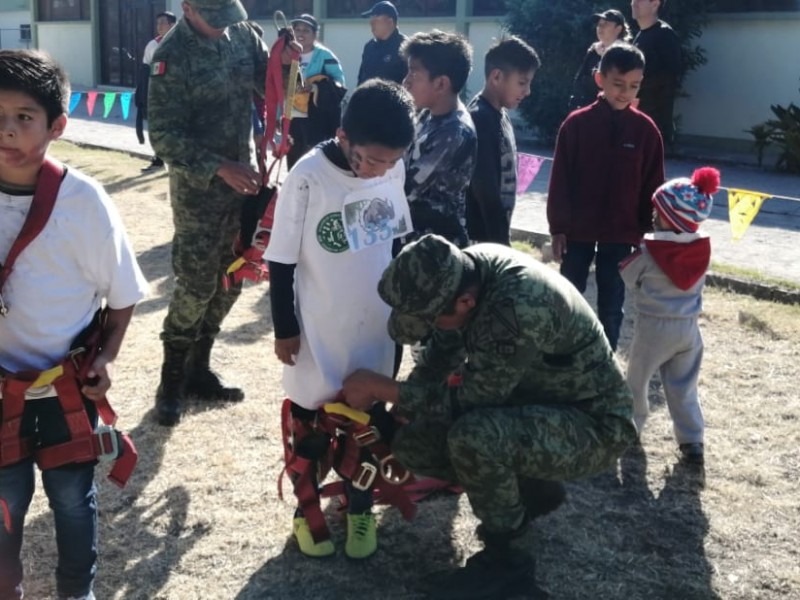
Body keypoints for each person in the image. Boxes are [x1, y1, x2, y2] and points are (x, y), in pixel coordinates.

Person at [342, 234, 637, 599]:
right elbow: (442, 351)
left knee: (475, 438)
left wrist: (384, 389)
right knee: (414, 443)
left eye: (431, 319)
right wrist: (405, 406)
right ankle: (531, 490)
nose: (428, 327)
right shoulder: (467, 271)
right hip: (536, 406)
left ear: (465, 301)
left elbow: (474, 400)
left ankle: (509, 560)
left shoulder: (516, 307)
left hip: (592, 424)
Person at [0, 49, 148, 600]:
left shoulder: (83, 201)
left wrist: (105, 359)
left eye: (24, 117)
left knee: (70, 499)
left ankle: (75, 593)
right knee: (4, 501)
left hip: (66, 387)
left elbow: (123, 292)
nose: (8, 131)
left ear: (57, 125)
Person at [265, 79, 416, 559]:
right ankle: (306, 509)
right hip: (317, 327)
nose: (381, 170)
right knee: (311, 423)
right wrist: (285, 327)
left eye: (391, 162)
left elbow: (395, 241)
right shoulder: (307, 177)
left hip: (375, 324)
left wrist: (404, 310)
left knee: (367, 424)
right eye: (372, 159)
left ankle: (359, 509)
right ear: (343, 136)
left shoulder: (392, 167)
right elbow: (281, 260)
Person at [147, 0, 298, 426]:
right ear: (187, 8)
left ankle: (200, 366)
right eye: (213, 20)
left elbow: (268, 85)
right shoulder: (170, 57)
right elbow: (164, 137)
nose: (222, 28)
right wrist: (218, 166)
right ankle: (172, 377)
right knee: (196, 286)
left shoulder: (242, 34)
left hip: (245, 185)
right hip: (199, 195)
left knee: (234, 277)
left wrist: (284, 64)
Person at [547, 43, 664, 352]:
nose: (625, 92)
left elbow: (652, 187)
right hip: (577, 232)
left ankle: (606, 364)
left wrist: (647, 235)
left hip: (621, 233)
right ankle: (559, 356)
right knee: (568, 296)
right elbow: (560, 180)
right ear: (600, 79)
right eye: (618, 84)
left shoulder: (646, 132)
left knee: (612, 304)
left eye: (634, 86)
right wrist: (558, 227)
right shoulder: (576, 125)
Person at [622, 167, 720, 464]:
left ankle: (631, 426)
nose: (653, 215)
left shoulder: (649, 253)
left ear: (670, 219)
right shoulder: (701, 250)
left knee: (636, 381)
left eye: (658, 211)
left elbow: (627, 276)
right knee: (683, 387)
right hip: (689, 330)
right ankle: (692, 440)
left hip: (654, 328)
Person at [401, 30, 477, 249]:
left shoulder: (455, 132)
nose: (405, 82)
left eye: (413, 74)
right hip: (413, 240)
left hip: (437, 252)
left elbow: (407, 186)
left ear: (441, 84)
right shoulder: (427, 113)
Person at [466, 36, 540, 246]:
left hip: (493, 236)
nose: (527, 91)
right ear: (496, 76)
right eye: (522, 83)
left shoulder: (500, 114)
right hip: (481, 241)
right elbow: (486, 191)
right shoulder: (480, 118)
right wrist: (501, 246)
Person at [286, 13, 346, 169]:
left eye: (306, 30)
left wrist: (315, 88)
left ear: (314, 34)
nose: (300, 34)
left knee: (317, 158)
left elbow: (339, 85)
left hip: (318, 117)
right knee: (294, 156)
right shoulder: (288, 54)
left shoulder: (325, 56)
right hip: (294, 113)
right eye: (297, 29)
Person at [631, 0, 681, 146]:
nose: (634, 3)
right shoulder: (640, 35)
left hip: (653, 124)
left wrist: (636, 89)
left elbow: (669, 78)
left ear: (655, 4)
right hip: (637, 119)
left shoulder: (665, 35)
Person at [137, 10, 177, 172]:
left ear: (172, 25)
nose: (159, 26)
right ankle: (158, 161)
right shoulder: (152, 45)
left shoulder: (181, 45)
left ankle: (177, 163)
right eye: (158, 23)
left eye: (163, 23)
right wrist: (142, 93)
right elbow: (145, 70)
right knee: (157, 128)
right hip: (156, 94)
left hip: (176, 94)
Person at [568, 9, 631, 111]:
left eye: (605, 24)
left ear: (618, 29)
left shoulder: (626, 55)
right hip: (588, 110)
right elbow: (580, 79)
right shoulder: (593, 51)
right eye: (599, 24)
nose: (600, 28)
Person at [357, 1, 408, 85]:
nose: (371, 23)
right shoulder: (369, 47)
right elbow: (361, 79)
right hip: (369, 97)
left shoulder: (405, 46)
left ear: (390, 22)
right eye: (371, 19)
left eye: (376, 19)